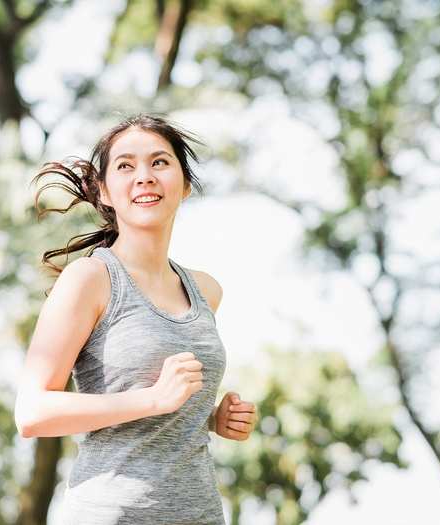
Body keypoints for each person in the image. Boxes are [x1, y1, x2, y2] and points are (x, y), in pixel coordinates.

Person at [13, 113, 258, 524]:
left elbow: (169, 406)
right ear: (105, 191)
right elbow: (31, 413)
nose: (144, 176)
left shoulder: (206, 290)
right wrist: (153, 400)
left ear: (185, 185)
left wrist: (213, 417)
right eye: (125, 166)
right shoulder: (90, 280)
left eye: (159, 162)